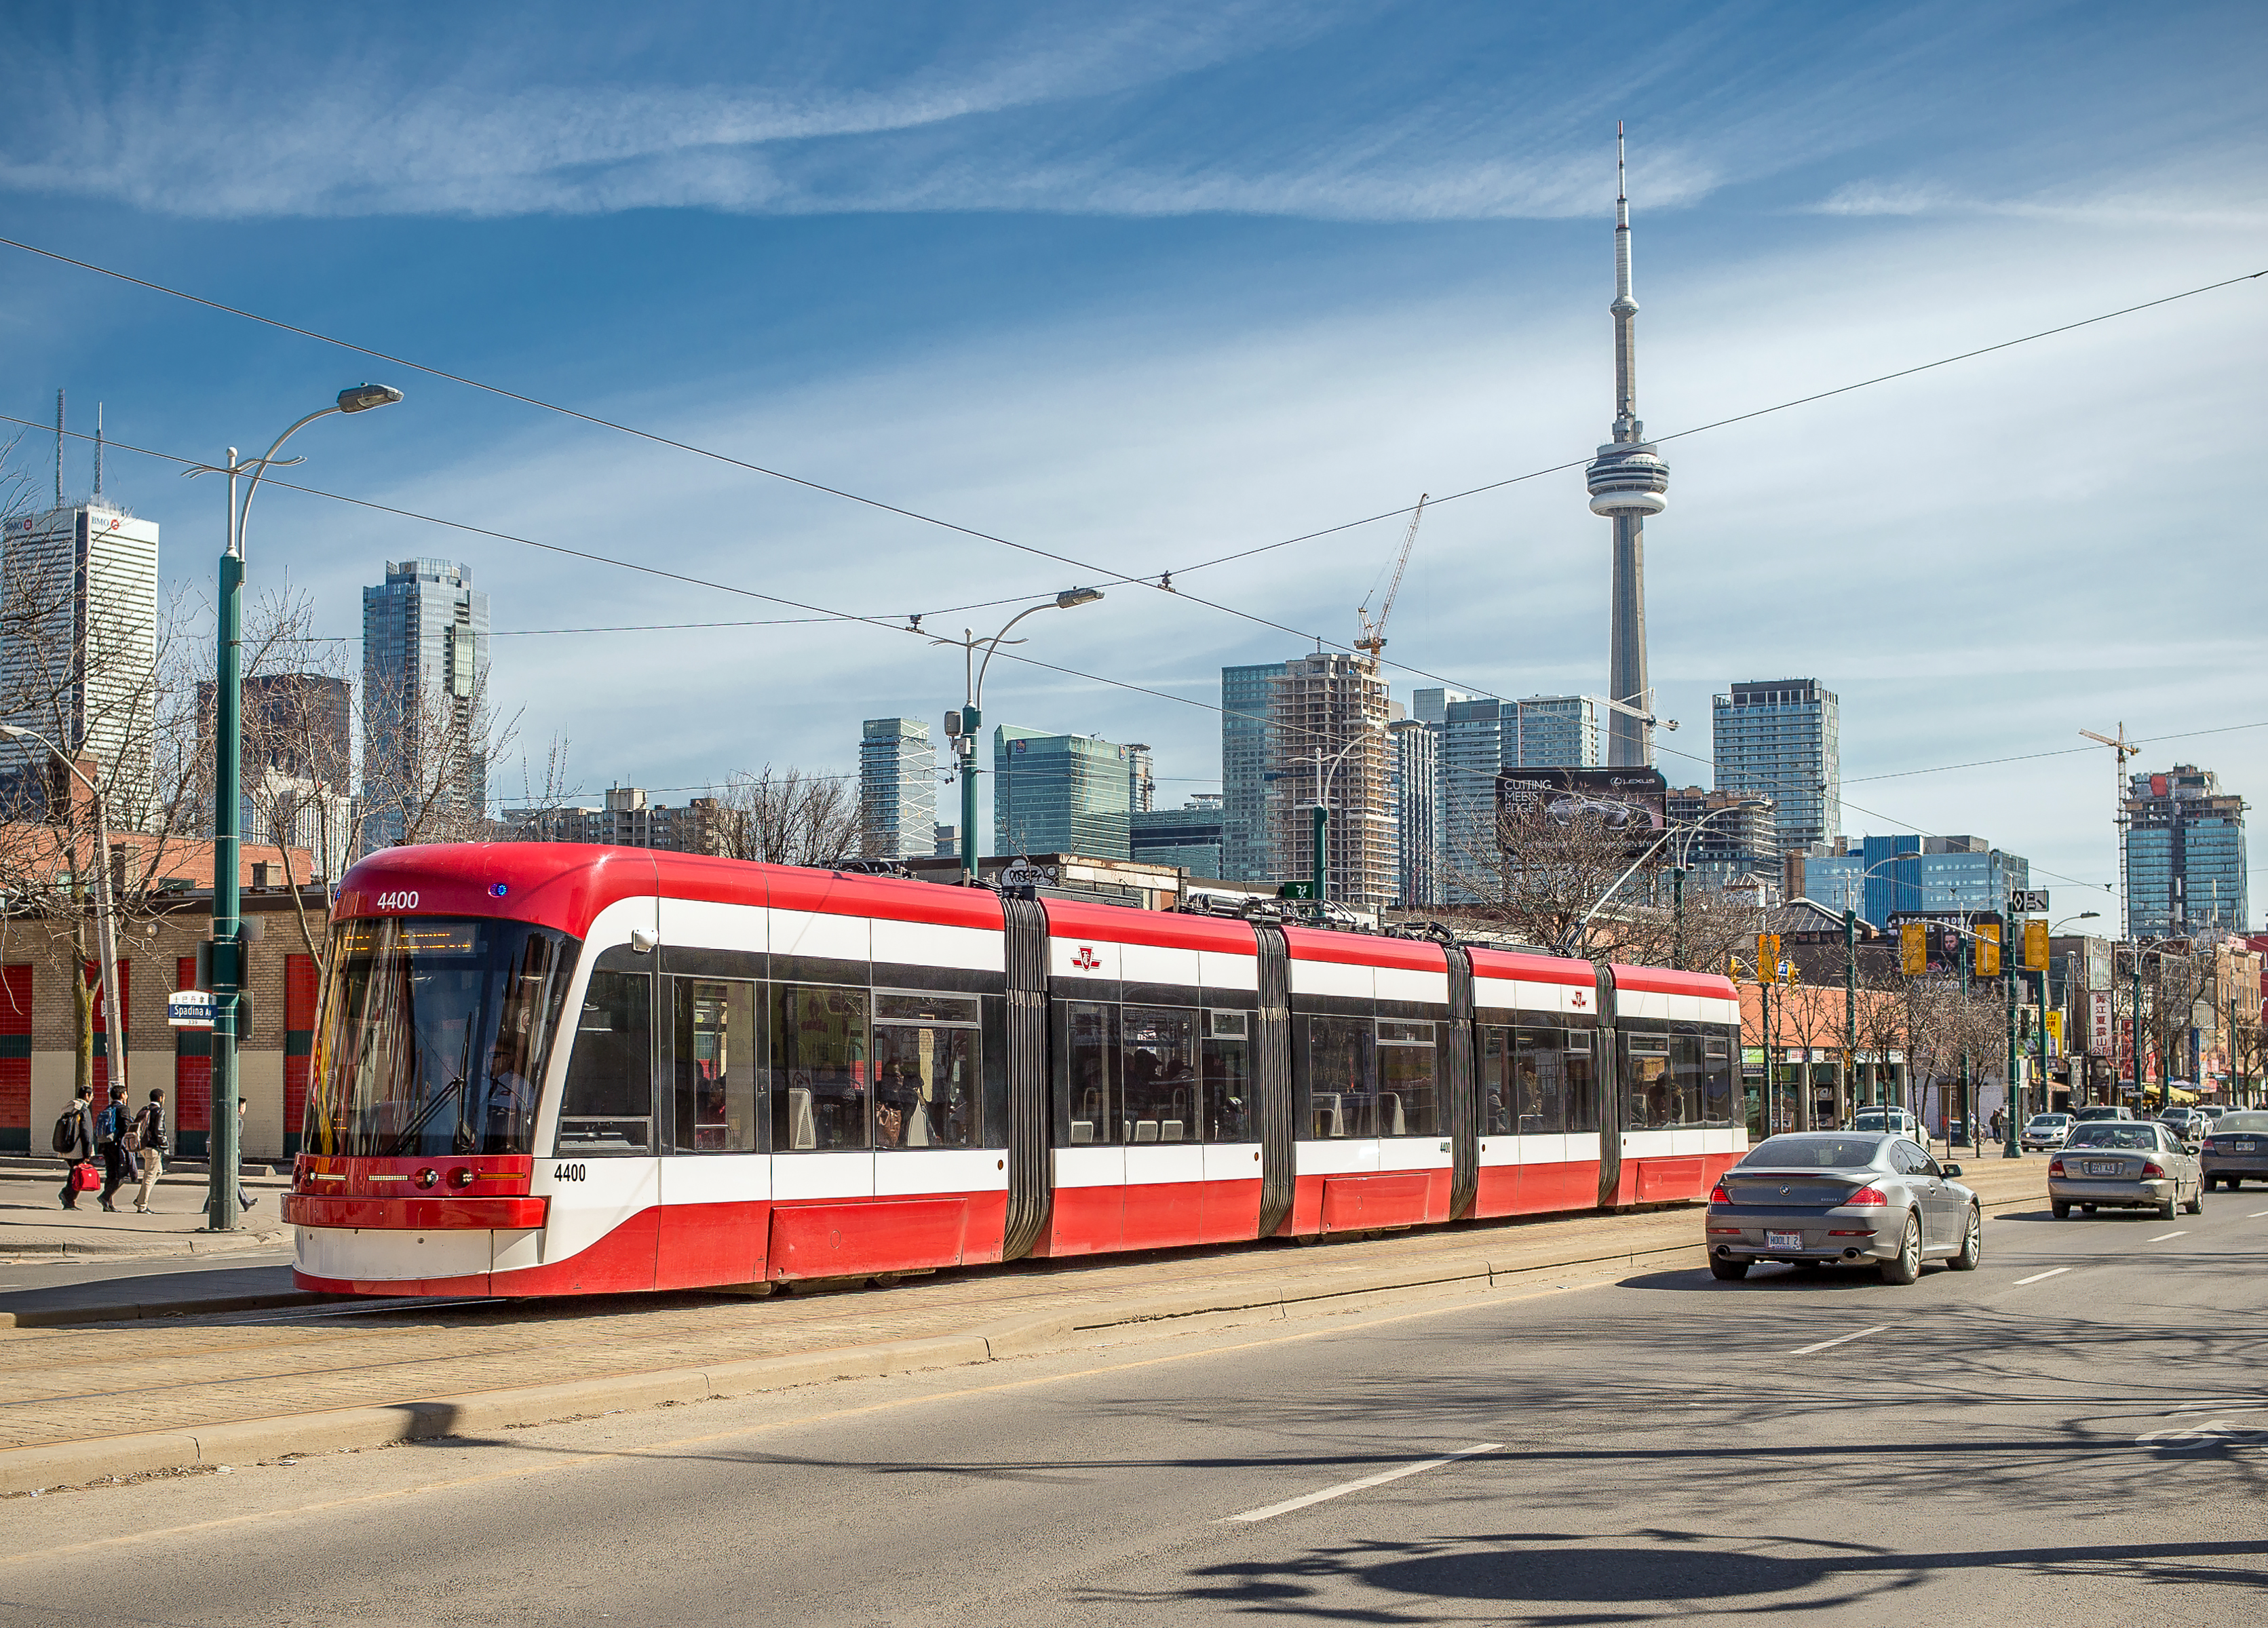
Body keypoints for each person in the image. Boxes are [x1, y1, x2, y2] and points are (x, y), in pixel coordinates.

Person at [57, 1082, 96, 1209]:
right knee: (77, 1176)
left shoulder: (69, 1108)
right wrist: (87, 1153)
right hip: (78, 1148)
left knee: (73, 1174)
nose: (92, 1098)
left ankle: (68, 1197)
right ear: (87, 1095)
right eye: (91, 1095)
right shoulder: (84, 1110)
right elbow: (87, 1133)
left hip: (67, 1147)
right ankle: (68, 1198)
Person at [131, 1087, 168, 1214]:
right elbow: (159, 1130)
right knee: (149, 1176)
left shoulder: (144, 1109)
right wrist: (164, 1144)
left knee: (158, 1172)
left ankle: (140, 1198)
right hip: (153, 1147)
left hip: (143, 1146)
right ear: (161, 1098)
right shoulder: (159, 1111)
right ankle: (142, 1205)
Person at [95, 1083, 131, 1212]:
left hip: (106, 1145)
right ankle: (105, 1197)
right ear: (122, 1095)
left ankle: (108, 1204)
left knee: (110, 1174)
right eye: (125, 1093)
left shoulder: (108, 1108)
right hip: (118, 1146)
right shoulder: (123, 1109)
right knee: (123, 1174)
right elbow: (126, 1127)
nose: (127, 1095)